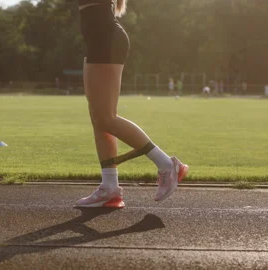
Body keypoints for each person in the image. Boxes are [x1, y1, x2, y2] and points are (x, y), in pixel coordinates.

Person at [76, 0, 189, 208]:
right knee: (98, 117)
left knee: (106, 118)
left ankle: (167, 165)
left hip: (105, 40)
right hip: (98, 40)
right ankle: (110, 187)